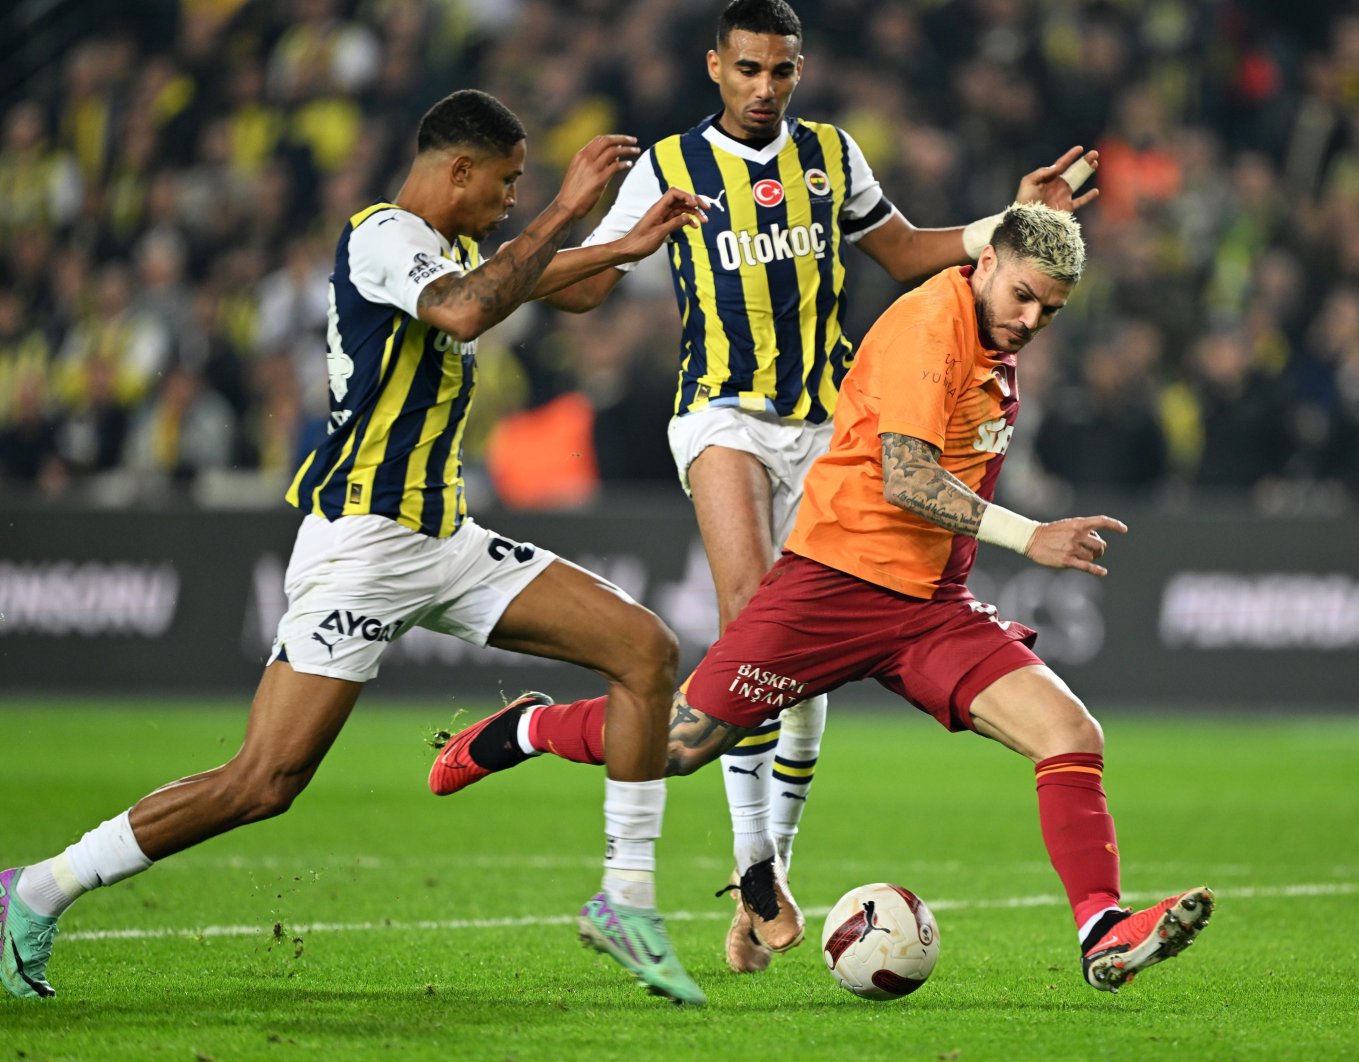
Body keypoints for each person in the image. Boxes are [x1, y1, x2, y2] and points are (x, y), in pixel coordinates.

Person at [427, 0, 1099, 976]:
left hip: (820, 423)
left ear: (796, 70)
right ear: (714, 66)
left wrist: (1012, 224)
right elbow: (580, 291)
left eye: (779, 72)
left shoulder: (829, 155)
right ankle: (755, 870)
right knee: (753, 612)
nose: (763, 88)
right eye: (746, 69)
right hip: (722, 415)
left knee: (790, 666)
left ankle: (588, 761)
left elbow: (909, 252)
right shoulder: (668, 165)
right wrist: (572, 251)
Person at [0, 89, 712, 1006]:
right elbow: (465, 311)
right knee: (263, 782)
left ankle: (626, 899)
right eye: (506, 183)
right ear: (457, 169)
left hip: (444, 539)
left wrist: (624, 234)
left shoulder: (452, 251)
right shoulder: (383, 237)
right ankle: (40, 888)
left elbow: (549, 288)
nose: (510, 200)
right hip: (365, 549)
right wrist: (570, 209)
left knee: (645, 650)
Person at [435, 201, 1216, 993]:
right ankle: (528, 727)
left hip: (930, 607)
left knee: (1071, 733)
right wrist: (1032, 536)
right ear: (985, 265)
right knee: (676, 747)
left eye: (1050, 308)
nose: (1032, 318)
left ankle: (1101, 930)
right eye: (1022, 295)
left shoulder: (992, 336)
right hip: (832, 590)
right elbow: (908, 478)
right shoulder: (930, 326)